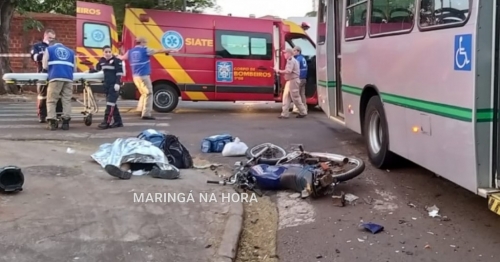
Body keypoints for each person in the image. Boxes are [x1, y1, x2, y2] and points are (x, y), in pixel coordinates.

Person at [118, 37, 175, 120]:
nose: (146, 44)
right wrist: (168, 50)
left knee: (144, 93)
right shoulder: (145, 50)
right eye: (145, 42)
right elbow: (158, 50)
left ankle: (140, 109)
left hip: (135, 76)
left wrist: (116, 55)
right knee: (149, 93)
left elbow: (122, 58)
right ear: (141, 43)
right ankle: (146, 114)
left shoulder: (130, 51)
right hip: (144, 75)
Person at [42, 40, 75, 131]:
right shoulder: (71, 52)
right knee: (66, 100)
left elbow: (44, 66)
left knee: (52, 100)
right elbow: (74, 68)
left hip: (55, 77)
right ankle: (65, 122)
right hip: (68, 77)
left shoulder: (49, 49)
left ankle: (52, 122)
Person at [30, 29, 62, 123]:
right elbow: (34, 57)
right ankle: (42, 115)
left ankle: (58, 114)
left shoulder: (57, 46)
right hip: (42, 73)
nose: (51, 40)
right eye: (49, 38)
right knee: (42, 95)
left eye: (53, 38)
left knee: (57, 94)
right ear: (45, 36)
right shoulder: (37, 46)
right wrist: (45, 54)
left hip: (55, 73)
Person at [91, 45, 124, 129]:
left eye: (109, 51)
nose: (108, 53)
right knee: (112, 104)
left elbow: (119, 73)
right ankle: (118, 122)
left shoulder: (116, 61)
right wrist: (89, 70)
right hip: (107, 85)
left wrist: (117, 83)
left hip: (114, 85)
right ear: (103, 52)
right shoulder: (102, 60)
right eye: (106, 52)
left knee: (110, 104)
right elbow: (97, 68)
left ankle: (106, 122)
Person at [275, 48, 307, 119]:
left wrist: (279, 71)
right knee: (286, 97)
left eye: (285, 53)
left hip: (293, 81)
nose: (284, 54)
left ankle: (303, 111)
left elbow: (288, 71)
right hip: (291, 81)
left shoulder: (291, 61)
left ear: (289, 53)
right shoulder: (292, 60)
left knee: (295, 97)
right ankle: (284, 113)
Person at [292, 46, 308, 114]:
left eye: (294, 50)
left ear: (298, 51)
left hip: (299, 78)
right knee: (302, 94)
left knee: (296, 94)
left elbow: (295, 68)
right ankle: (305, 108)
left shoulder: (298, 59)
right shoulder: (303, 58)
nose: (293, 52)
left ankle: (297, 109)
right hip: (304, 78)